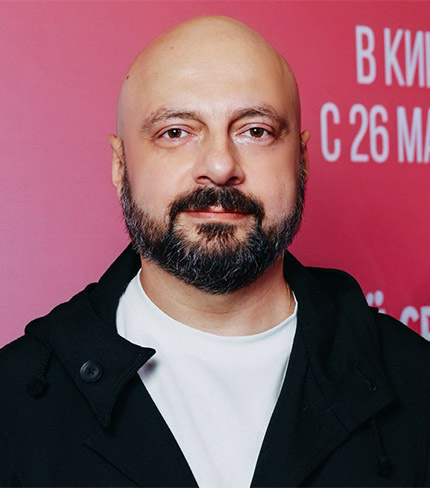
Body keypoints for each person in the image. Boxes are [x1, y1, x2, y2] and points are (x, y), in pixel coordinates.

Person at [1, 15, 429, 488]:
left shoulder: (417, 382)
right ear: (121, 165)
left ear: (301, 160)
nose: (221, 166)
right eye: (176, 132)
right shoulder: (14, 404)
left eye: (256, 131)